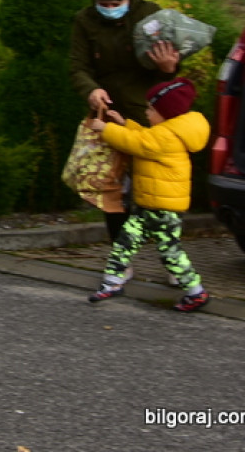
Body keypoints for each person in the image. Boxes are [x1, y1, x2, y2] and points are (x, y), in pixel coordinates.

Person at [69, 0, 179, 243]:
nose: (109, 10)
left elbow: (172, 72)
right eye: (103, 5)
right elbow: (78, 66)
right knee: (112, 190)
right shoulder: (84, 20)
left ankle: (169, 256)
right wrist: (90, 89)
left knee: (154, 190)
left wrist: (169, 67)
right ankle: (121, 256)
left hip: (147, 114)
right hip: (109, 115)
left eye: (115, 5)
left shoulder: (151, 16)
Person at [85, 78, 210, 312]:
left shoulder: (166, 137)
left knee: (170, 253)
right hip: (148, 206)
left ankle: (196, 292)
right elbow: (144, 138)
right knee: (125, 241)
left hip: (164, 209)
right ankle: (112, 282)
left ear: (166, 114)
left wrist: (107, 130)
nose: (147, 112)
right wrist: (125, 124)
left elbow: (138, 143)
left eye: (151, 109)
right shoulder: (166, 133)